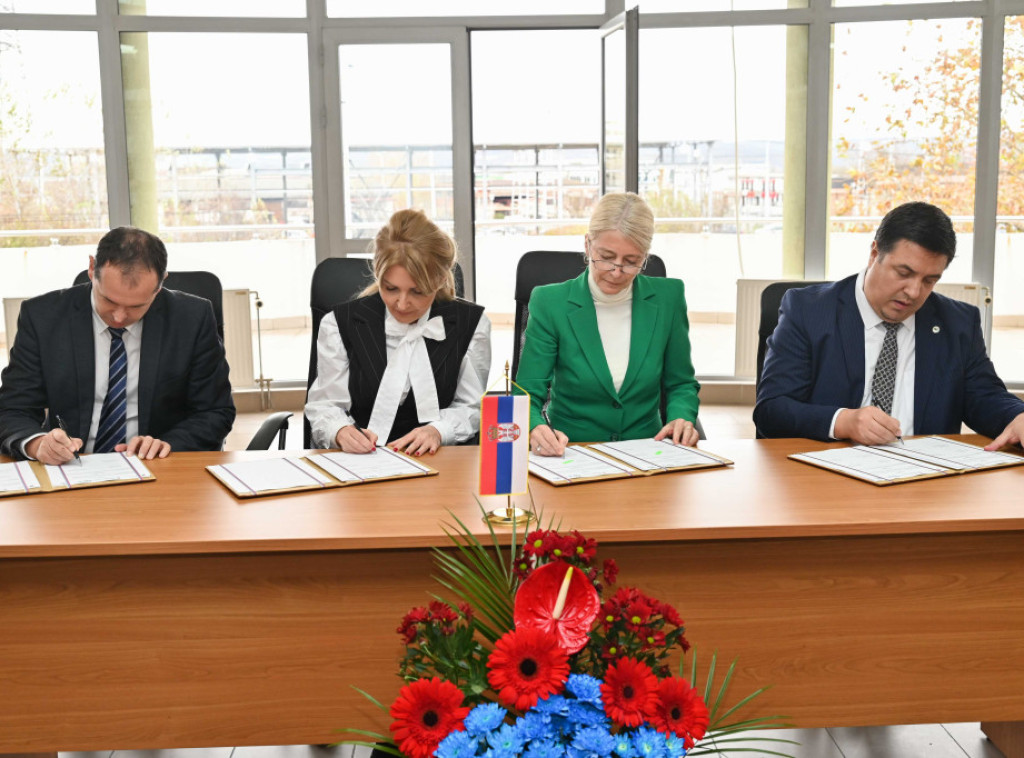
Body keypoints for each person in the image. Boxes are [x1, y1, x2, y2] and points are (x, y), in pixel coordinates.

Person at [754, 201, 1024, 449]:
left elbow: (985, 396)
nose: (914, 292)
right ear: (874, 254)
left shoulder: (958, 323)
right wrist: (844, 421)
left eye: (929, 280)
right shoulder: (809, 310)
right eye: (904, 273)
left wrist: (1018, 416)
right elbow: (772, 410)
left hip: (924, 475)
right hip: (827, 470)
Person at [0, 226, 235, 464]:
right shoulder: (42, 317)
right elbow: (13, 408)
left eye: (136, 306)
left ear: (160, 283)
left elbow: (215, 411)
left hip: (155, 466)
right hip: (71, 466)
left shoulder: (192, 319)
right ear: (92, 268)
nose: (119, 317)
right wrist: (37, 444)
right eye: (109, 300)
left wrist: (168, 444)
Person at [515, 191, 701, 456]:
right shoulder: (550, 302)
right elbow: (526, 393)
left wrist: (682, 417)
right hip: (571, 451)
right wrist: (535, 427)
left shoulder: (668, 299)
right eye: (606, 257)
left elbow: (681, 383)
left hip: (649, 451)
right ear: (588, 245)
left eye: (631, 262)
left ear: (645, 257)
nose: (616, 271)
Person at [305, 209, 491, 456]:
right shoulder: (339, 324)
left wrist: (439, 430)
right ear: (377, 273)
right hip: (361, 460)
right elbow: (325, 404)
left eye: (417, 291)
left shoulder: (472, 325)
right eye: (390, 288)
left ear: (439, 280)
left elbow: (472, 406)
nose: (402, 304)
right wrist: (339, 430)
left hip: (442, 459)